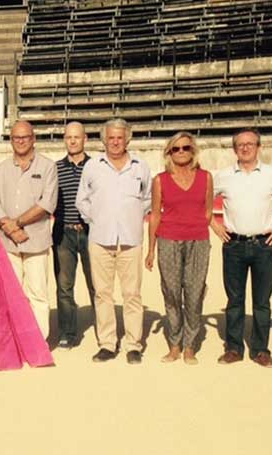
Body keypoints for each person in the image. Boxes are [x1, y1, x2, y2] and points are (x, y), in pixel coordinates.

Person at [211, 128, 272, 368]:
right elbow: (203, 202)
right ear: (234, 149)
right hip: (233, 244)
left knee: (262, 301)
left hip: (263, 244)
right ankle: (234, 348)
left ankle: (260, 349)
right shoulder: (224, 176)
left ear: (259, 147)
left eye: (250, 144)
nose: (245, 148)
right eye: (240, 144)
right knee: (235, 300)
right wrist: (215, 226)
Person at [76, 118, 151, 364]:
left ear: (127, 138)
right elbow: (82, 200)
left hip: (131, 239)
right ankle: (107, 343)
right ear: (104, 140)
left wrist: (132, 217)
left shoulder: (141, 167)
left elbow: (148, 198)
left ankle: (133, 345)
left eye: (120, 137)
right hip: (99, 239)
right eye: (111, 138)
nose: (115, 142)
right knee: (103, 294)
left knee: (132, 294)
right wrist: (95, 220)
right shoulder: (93, 167)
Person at [145, 132, 212, 365]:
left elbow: (208, 211)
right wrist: (151, 249)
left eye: (185, 148)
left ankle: (190, 345)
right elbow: (154, 215)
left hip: (198, 241)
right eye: (176, 149)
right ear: (169, 153)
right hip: (168, 240)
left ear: (193, 151)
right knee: (172, 293)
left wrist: (197, 228)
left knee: (194, 294)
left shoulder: (206, 177)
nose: (181, 152)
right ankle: (175, 344)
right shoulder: (160, 180)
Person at [0, 120, 58, 339]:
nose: (20, 141)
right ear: (11, 141)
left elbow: (47, 204)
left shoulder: (47, 167)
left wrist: (16, 224)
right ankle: (14, 340)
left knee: (38, 294)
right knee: (11, 294)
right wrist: (10, 228)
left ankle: (38, 342)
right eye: (16, 138)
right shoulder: (1, 169)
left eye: (25, 137)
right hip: (8, 242)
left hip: (35, 241)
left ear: (33, 139)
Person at [52, 121, 95, 349]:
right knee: (64, 286)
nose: (72, 141)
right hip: (63, 233)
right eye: (69, 137)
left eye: (76, 137)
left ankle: (103, 332)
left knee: (96, 285)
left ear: (84, 138)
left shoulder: (97, 166)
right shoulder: (55, 168)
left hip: (90, 232)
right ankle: (67, 332)